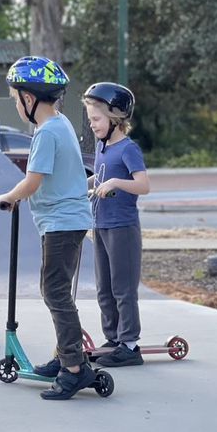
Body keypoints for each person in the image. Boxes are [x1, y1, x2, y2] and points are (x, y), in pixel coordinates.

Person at [0, 56, 96, 400]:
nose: (16, 104)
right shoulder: (61, 123)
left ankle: (74, 369)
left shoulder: (46, 132)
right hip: (66, 221)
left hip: (62, 222)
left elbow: (33, 181)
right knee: (58, 291)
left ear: (29, 98)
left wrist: (9, 197)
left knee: (54, 292)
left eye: (15, 97)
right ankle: (64, 355)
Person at [83, 82, 150, 367]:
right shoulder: (101, 147)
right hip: (101, 224)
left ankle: (130, 345)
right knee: (105, 287)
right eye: (90, 120)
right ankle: (113, 338)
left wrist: (114, 183)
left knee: (123, 287)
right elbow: (99, 179)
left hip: (123, 227)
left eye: (96, 119)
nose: (92, 125)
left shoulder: (128, 149)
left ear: (116, 118)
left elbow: (143, 185)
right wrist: (82, 185)